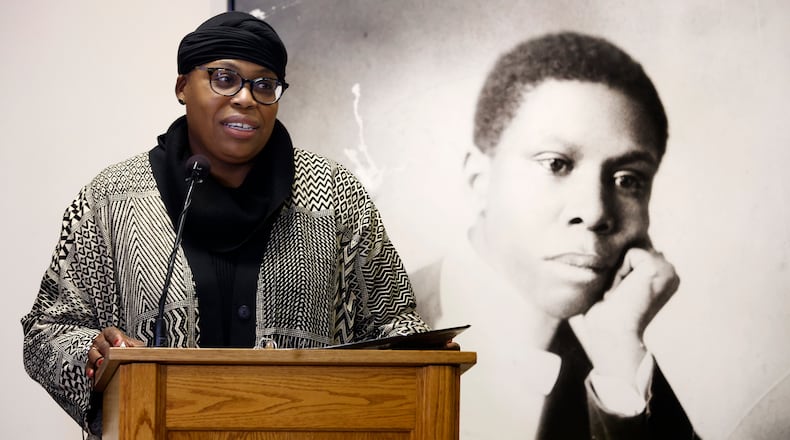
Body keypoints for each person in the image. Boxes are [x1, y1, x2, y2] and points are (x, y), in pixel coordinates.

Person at [21, 11, 429, 437]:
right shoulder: (110, 199)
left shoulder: (336, 195)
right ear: (182, 86)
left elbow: (393, 321)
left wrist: (425, 353)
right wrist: (91, 351)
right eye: (224, 78)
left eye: (264, 85)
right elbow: (46, 331)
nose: (245, 98)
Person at [410, 32, 700, 439]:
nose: (596, 211)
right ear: (479, 179)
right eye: (556, 165)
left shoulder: (621, 378)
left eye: (628, 179)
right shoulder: (357, 320)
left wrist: (619, 355)